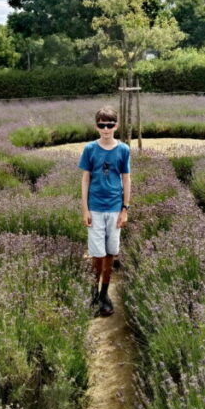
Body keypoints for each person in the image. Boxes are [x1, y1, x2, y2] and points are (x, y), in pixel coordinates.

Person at [79, 105, 131, 317]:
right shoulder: (90, 149)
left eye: (110, 125)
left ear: (116, 126)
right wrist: (85, 209)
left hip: (115, 208)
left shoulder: (123, 150)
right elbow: (85, 179)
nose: (106, 128)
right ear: (96, 126)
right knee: (97, 254)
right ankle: (93, 293)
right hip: (96, 208)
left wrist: (125, 209)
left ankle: (104, 294)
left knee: (110, 252)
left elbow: (126, 179)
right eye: (102, 125)